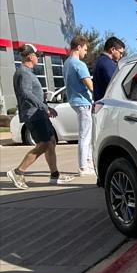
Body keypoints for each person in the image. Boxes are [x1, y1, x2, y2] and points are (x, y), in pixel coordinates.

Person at [6, 44, 74, 190]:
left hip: (39, 113)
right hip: (33, 114)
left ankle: (54, 175)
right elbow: (26, 93)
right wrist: (44, 107)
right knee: (43, 144)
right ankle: (18, 172)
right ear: (30, 56)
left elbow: (30, 93)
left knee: (51, 141)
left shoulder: (27, 72)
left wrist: (45, 107)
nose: (39, 58)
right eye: (37, 55)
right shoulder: (23, 73)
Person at [63, 35, 94, 175]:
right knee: (85, 136)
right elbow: (89, 84)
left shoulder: (67, 63)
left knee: (85, 134)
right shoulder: (79, 64)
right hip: (83, 102)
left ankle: (87, 162)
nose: (86, 53)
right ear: (79, 47)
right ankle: (83, 167)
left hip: (74, 101)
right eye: (85, 49)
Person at [93, 36, 125, 101]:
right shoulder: (108, 64)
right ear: (112, 49)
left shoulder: (98, 61)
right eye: (120, 53)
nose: (121, 56)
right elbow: (116, 85)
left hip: (99, 102)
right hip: (108, 104)